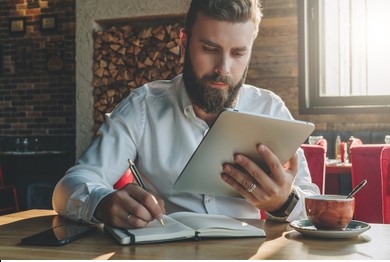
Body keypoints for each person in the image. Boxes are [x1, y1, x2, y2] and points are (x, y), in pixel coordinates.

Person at [52, 0, 320, 228]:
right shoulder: (142, 108)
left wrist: (285, 202)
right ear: (184, 42)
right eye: (210, 49)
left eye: (238, 53)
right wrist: (101, 203)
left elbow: (312, 203)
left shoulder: (270, 109)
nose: (223, 68)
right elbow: (68, 188)